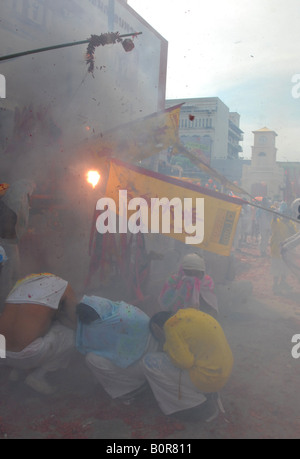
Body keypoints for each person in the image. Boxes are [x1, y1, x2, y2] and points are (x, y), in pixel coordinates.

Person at [142, 308, 234, 422]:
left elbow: (184, 363)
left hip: (207, 379)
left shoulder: (170, 326)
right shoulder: (189, 313)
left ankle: (197, 405)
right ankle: (205, 393)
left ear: (157, 329)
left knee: (148, 361)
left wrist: (167, 344)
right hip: (223, 371)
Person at [0, 273, 78, 394]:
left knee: (24, 326)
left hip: (2, 354)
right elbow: (75, 321)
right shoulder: (64, 286)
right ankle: (37, 377)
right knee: (71, 335)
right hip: (26, 355)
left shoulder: (21, 284)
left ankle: (15, 371)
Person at [76, 295, 159, 403]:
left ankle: (130, 389)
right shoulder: (124, 308)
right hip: (155, 356)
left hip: (141, 365)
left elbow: (86, 345)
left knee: (91, 359)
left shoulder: (101, 326)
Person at [0, 179, 35, 308]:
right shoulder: (13, 200)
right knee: (7, 276)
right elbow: (10, 225)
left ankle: (10, 304)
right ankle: (4, 307)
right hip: (6, 243)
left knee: (14, 274)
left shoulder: (15, 199)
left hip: (10, 243)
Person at [158, 252, 218, 318]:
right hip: (173, 317)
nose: (192, 277)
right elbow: (164, 304)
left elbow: (211, 307)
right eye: (188, 272)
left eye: (196, 273)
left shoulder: (207, 282)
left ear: (202, 273)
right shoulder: (173, 281)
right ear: (182, 271)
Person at [270, 202, 297, 294]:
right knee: (276, 269)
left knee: (285, 269)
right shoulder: (277, 222)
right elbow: (273, 226)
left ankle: (283, 283)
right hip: (277, 250)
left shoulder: (291, 223)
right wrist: (274, 216)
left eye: (288, 214)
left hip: (287, 251)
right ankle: (275, 285)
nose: (287, 216)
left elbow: (295, 235)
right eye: (285, 213)